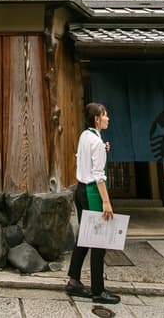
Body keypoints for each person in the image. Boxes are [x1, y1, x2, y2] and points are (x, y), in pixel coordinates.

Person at [65, 102, 120, 305]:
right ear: (97, 118)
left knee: (85, 238)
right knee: (99, 242)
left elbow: (81, 157)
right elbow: (99, 176)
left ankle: (73, 281)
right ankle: (98, 290)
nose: (108, 119)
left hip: (80, 190)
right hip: (92, 192)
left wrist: (102, 148)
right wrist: (106, 202)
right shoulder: (96, 142)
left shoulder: (85, 136)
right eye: (105, 115)